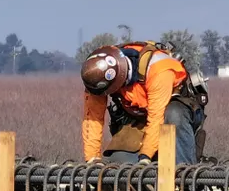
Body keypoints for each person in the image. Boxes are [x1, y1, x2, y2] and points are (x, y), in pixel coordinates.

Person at [80, 40, 208, 164]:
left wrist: (145, 156)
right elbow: (92, 119)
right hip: (139, 120)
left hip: (178, 116)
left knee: (173, 113)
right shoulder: (95, 76)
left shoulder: (159, 69)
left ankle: (184, 178)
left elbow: (157, 116)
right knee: (119, 165)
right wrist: (92, 159)